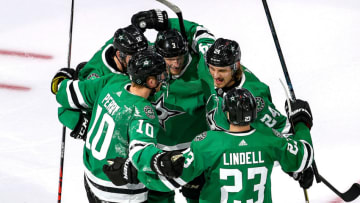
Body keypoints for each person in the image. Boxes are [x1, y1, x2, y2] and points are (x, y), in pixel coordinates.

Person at [104, 88, 314, 202]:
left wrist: (132, 173)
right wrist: (301, 123)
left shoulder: (208, 143)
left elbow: (170, 180)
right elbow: (304, 156)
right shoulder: (270, 138)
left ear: (227, 113)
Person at [51, 50, 185, 202]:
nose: (163, 80)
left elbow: (66, 97)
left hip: (91, 178)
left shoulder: (112, 82)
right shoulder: (143, 112)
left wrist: (62, 83)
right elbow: (140, 153)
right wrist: (160, 160)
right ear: (151, 81)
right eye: (160, 76)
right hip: (120, 192)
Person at [54, 24, 149, 141]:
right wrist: (84, 126)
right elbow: (63, 108)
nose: (142, 60)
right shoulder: (98, 77)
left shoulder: (120, 47)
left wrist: (139, 25)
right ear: (119, 55)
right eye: (135, 56)